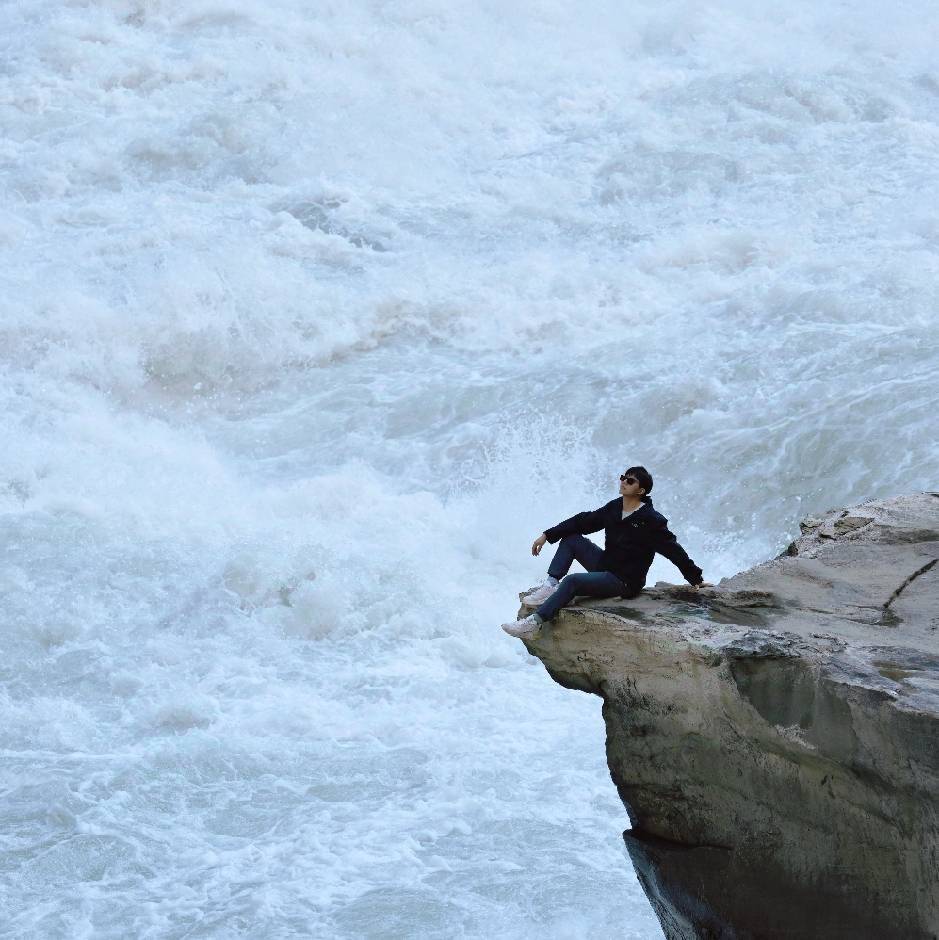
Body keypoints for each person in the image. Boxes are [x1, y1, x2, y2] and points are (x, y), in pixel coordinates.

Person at [502, 465, 707, 639]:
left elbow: (673, 550)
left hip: (625, 581)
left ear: (641, 491)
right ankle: (550, 585)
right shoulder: (615, 507)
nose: (623, 482)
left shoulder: (651, 520)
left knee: (573, 581)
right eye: (623, 477)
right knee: (572, 539)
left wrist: (695, 579)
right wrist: (547, 535)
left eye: (630, 481)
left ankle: (534, 623)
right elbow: (583, 521)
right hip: (606, 565)